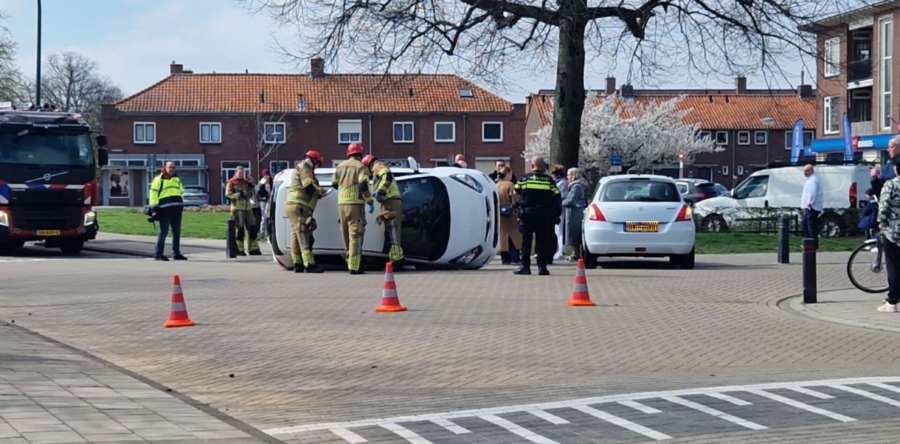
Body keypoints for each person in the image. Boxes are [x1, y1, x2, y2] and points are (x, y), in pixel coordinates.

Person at [514, 156, 561, 276]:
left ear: (532, 166)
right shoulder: (548, 180)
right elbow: (556, 195)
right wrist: (556, 213)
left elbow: (516, 191)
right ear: (543, 167)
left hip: (527, 214)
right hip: (544, 215)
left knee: (526, 241)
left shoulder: (524, 179)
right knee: (542, 241)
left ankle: (525, 267)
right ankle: (542, 267)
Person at [332, 142, 374, 275]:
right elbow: (362, 185)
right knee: (355, 234)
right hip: (355, 204)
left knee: (345, 235)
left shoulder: (339, 166)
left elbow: (334, 184)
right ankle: (355, 266)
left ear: (348, 153)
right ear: (360, 153)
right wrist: (369, 200)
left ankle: (350, 261)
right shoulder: (361, 167)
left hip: (341, 204)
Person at [362, 155, 405, 266]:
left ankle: (397, 260)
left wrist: (381, 192)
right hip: (389, 202)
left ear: (368, 165)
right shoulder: (377, 169)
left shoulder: (377, 166)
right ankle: (395, 257)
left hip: (391, 202)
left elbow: (387, 176)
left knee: (393, 231)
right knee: (391, 231)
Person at [286, 151, 325, 273]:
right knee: (304, 234)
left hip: (292, 205)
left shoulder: (299, 167)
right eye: (317, 164)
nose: (317, 167)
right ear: (314, 160)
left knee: (296, 235)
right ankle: (309, 264)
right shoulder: (305, 168)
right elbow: (309, 187)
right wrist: (320, 191)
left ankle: (298, 263)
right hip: (300, 205)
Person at [149, 161, 187, 261]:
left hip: (176, 210)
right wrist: (154, 209)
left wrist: (181, 205)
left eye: (173, 167)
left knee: (176, 232)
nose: (172, 169)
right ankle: (158, 254)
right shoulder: (159, 179)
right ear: (165, 168)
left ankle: (176, 253)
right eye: (170, 167)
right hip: (164, 210)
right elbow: (153, 195)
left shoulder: (177, 179)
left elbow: (181, 192)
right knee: (163, 232)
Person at [876, 156, 900, 313]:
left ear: (896, 170)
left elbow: (883, 206)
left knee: (893, 266)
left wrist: (881, 223)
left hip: (893, 232)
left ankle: (892, 302)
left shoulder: (890, 185)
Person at [225, 166, 261, 256]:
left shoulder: (246, 182)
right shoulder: (231, 182)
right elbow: (228, 195)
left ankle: (253, 248)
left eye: (242, 173)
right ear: (236, 172)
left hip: (248, 208)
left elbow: (251, 193)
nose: (241, 174)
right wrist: (239, 194)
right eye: (239, 173)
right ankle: (239, 249)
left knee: (252, 228)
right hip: (237, 208)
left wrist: (251, 187)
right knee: (239, 229)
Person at [496, 166, 522, 265]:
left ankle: (505, 258)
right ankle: (515, 258)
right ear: (507, 174)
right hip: (510, 214)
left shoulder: (496, 185)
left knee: (503, 237)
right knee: (514, 236)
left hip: (500, 214)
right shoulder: (510, 185)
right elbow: (515, 198)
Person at [562, 167, 587, 261]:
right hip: (573, 213)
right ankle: (576, 252)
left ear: (573, 175)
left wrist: (562, 202)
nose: (567, 177)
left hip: (574, 214)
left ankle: (576, 253)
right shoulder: (575, 186)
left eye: (568, 175)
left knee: (573, 233)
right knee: (572, 233)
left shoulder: (576, 187)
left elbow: (571, 201)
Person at [800, 164, 823, 247]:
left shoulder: (813, 180)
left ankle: (812, 243)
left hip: (812, 207)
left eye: (806, 171)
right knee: (805, 224)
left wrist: (809, 203)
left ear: (811, 171)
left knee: (810, 225)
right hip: (811, 206)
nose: (804, 173)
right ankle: (809, 241)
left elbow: (812, 193)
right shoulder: (811, 179)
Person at [550, 164, 569, 262]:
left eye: (552, 174)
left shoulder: (562, 183)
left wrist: (554, 197)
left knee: (560, 231)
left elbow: (564, 196)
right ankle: (560, 250)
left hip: (560, 210)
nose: (551, 176)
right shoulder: (558, 183)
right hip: (557, 209)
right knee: (557, 231)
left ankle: (561, 251)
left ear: (556, 174)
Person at [257, 169, 273, 240]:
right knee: (264, 217)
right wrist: (263, 185)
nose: (266, 177)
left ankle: (269, 235)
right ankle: (261, 234)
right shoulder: (262, 182)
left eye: (267, 175)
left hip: (269, 201)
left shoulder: (271, 182)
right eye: (265, 175)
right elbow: (259, 191)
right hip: (263, 201)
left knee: (269, 217)